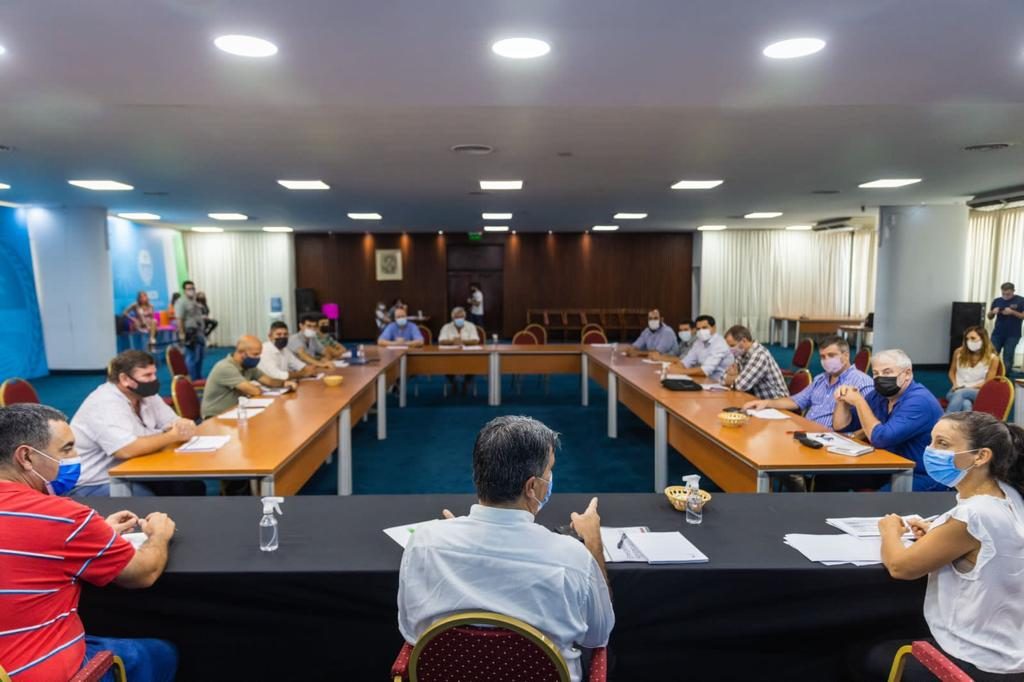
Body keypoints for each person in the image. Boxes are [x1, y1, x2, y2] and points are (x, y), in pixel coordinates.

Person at [398, 416, 614, 682]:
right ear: (532, 487)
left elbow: (411, 632)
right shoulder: (572, 558)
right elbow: (598, 636)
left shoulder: (425, 541)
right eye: (549, 471)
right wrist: (592, 544)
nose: (551, 478)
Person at [0, 403, 178, 682]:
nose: (76, 457)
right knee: (160, 653)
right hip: (37, 670)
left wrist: (91, 537)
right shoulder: (62, 516)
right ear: (26, 457)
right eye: (67, 449)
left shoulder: (64, 525)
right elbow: (142, 573)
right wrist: (159, 536)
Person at [859, 411, 1024, 681]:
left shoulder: (974, 514)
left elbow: (901, 567)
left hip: (977, 659)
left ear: (981, 456)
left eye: (943, 444)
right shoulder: (1010, 496)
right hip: (1011, 648)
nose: (931, 451)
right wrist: (938, 538)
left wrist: (889, 530)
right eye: (932, 442)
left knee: (865, 657)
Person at [70, 350, 198, 497]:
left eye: (154, 373)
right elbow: (126, 449)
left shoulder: (145, 395)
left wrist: (181, 425)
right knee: (146, 500)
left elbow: (174, 422)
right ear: (124, 379)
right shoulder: (104, 404)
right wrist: (172, 435)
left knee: (189, 486)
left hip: (133, 468)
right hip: (94, 482)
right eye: (147, 375)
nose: (154, 379)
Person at [832, 349, 945, 491]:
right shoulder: (879, 396)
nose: (880, 378)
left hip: (922, 474)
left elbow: (881, 438)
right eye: (876, 373)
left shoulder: (919, 401)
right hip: (891, 465)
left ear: (907, 374)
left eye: (887, 372)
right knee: (833, 477)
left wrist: (859, 401)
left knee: (880, 502)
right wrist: (841, 400)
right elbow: (841, 425)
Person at [744, 335, 874, 429]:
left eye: (831, 355)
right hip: (807, 432)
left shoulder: (861, 381)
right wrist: (766, 403)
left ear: (846, 356)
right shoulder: (820, 379)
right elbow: (796, 401)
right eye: (822, 357)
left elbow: (873, 420)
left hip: (833, 439)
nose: (826, 360)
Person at [201, 336, 298, 419]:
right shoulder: (225, 367)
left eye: (259, 354)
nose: (258, 358)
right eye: (255, 354)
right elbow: (254, 391)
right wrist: (256, 388)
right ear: (242, 353)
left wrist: (284, 383)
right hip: (215, 417)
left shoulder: (248, 366)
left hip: (236, 412)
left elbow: (269, 381)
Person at [721, 325, 788, 400]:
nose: (730, 349)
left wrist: (734, 378)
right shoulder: (741, 353)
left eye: (732, 345)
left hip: (776, 403)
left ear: (744, 341)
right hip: (756, 400)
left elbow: (740, 385)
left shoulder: (759, 355)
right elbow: (722, 376)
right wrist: (735, 377)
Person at [946, 326, 1000, 413]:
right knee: (966, 404)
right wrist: (955, 384)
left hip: (977, 391)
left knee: (961, 393)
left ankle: (944, 422)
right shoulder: (958, 352)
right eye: (967, 339)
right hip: (955, 389)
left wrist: (967, 388)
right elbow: (952, 372)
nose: (969, 342)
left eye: (973, 338)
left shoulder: (993, 358)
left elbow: (988, 381)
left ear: (983, 339)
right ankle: (967, 425)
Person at [677, 314, 734, 381]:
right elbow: (685, 362)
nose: (701, 331)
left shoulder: (720, 344)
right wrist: (674, 368)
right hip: (704, 381)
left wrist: (679, 371)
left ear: (714, 328)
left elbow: (705, 370)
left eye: (704, 328)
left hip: (719, 384)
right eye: (698, 329)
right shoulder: (698, 342)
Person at [438, 307, 480, 395]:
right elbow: (441, 341)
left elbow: (476, 340)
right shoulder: (446, 327)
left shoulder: (471, 326)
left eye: (461, 317)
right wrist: (453, 341)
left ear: (464, 317)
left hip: (469, 356)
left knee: (476, 363)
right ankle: (453, 382)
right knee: (444, 363)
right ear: (452, 318)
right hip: (450, 356)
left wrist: (462, 341)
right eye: (457, 317)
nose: (459, 319)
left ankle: (466, 382)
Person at [987, 282, 1023, 375]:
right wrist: (993, 312)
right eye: (1003, 294)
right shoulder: (997, 301)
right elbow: (989, 316)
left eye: (1008, 294)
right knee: (992, 355)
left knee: (1008, 357)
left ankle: (1005, 378)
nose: (1005, 296)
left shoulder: (1021, 300)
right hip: (997, 333)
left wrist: (1012, 312)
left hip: (1013, 334)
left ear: (1013, 291)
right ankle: (990, 376)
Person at [174, 280, 206, 380]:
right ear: (184, 290)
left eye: (192, 288)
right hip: (189, 332)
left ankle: (198, 377)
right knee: (191, 357)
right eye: (188, 289)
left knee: (200, 356)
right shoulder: (181, 302)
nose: (191, 290)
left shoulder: (194, 301)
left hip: (199, 331)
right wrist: (182, 334)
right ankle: (192, 379)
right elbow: (179, 319)